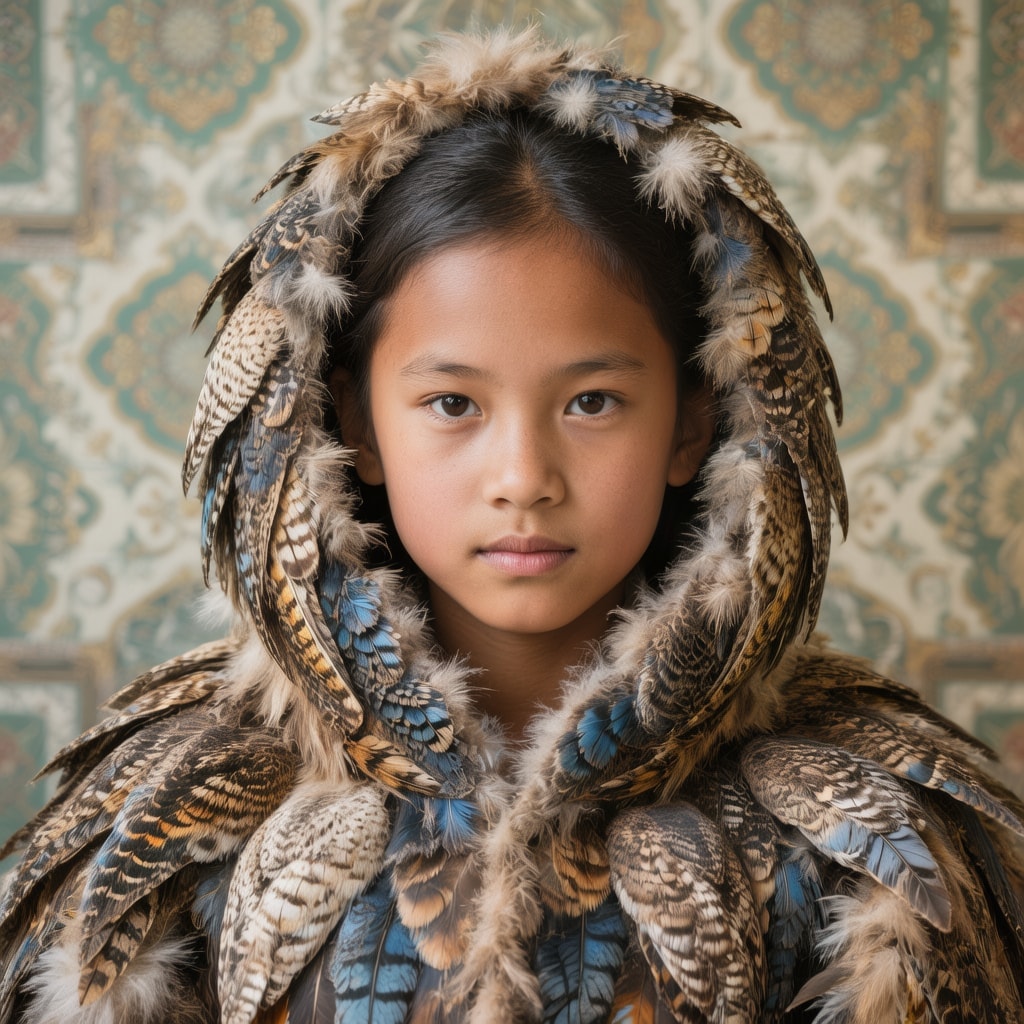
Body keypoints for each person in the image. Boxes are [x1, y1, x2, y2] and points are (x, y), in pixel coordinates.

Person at [1, 27, 1022, 1024]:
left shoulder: (876, 845)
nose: (524, 478)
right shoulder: (165, 824)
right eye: (452, 404)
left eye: (592, 402)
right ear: (352, 425)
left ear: (693, 425)